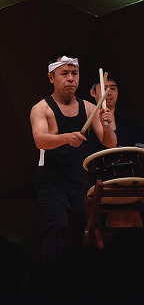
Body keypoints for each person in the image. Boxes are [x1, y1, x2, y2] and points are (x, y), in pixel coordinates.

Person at [29, 54, 117, 266]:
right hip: (51, 180)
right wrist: (66, 138)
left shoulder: (88, 108)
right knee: (58, 226)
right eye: (64, 73)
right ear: (51, 77)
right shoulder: (41, 108)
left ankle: (79, 279)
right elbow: (40, 140)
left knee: (82, 232)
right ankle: (49, 278)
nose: (71, 78)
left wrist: (107, 124)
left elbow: (110, 143)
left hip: (79, 179)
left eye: (74, 73)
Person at [88, 74, 144, 153]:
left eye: (112, 88)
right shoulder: (87, 119)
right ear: (93, 92)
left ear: (117, 91)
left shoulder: (130, 120)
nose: (108, 93)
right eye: (104, 88)